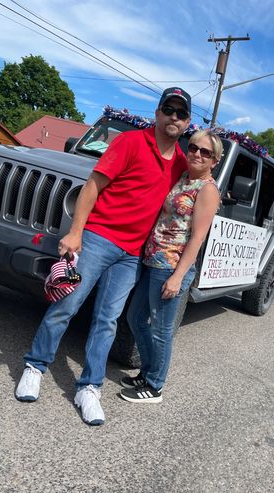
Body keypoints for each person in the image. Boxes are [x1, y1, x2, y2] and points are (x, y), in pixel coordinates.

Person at [15, 87, 192, 426]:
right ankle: (35, 366)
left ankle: (89, 387)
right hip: (98, 237)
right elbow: (93, 185)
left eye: (181, 113)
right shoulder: (130, 143)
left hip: (131, 253)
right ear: (157, 113)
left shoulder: (181, 165)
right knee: (66, 304)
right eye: (168, 109)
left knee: (107, 321)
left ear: (186, 123)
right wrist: (76, 231)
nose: (173, 117)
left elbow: (198, 191)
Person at [119, 129, 222, 403]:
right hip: (153, 260)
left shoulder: (207, 190)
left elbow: (198, 238)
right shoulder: (183, 179)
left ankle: (155, 386)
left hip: (172, 266)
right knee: (135, 318)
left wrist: (177, 277)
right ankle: (148, 371)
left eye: (206, 152)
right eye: (194, 148)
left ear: (215, 161)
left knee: (161, 330)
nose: (197, 154)